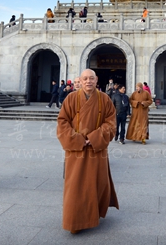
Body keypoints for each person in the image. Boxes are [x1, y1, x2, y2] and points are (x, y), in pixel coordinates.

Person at [56, 69, 119, 233]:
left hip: (96, 148)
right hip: (76, 150)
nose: (88, 81)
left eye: (91, 78)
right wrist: (77, 140)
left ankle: (93, 215)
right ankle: (74, 221)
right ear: (80, 81)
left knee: (96, 183)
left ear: (96, 80)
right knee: (75, 186)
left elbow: (111, 122)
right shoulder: (71, 98)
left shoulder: (104, 99)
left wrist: (94, 138)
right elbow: (62, 122)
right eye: (85, 79)